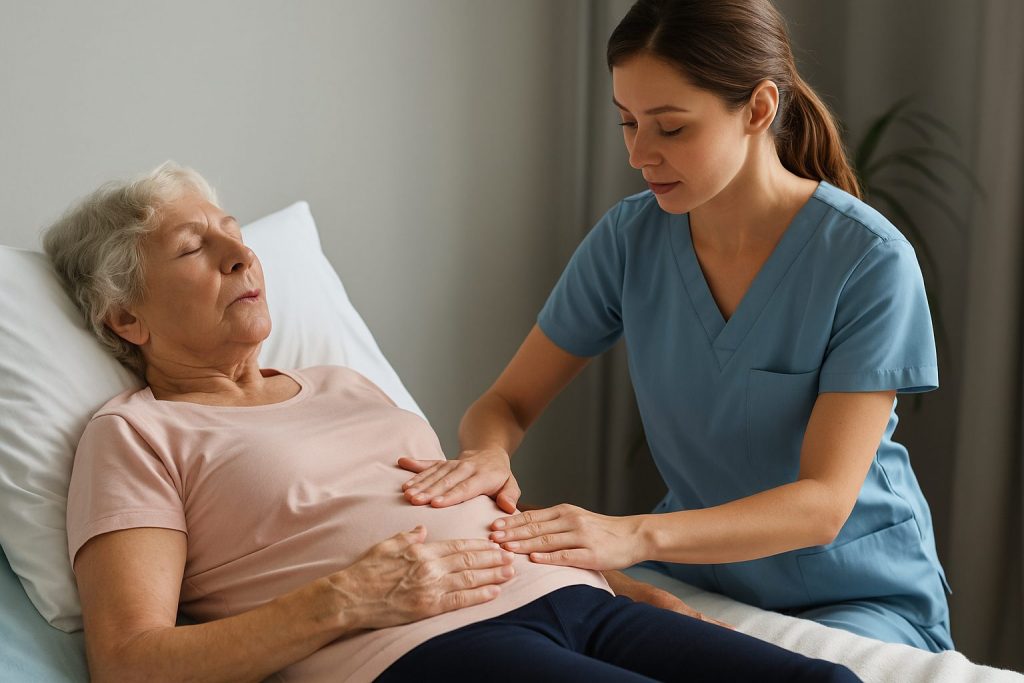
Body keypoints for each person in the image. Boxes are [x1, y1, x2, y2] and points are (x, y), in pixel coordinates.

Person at [47, 162, 859, 682]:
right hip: (421, 650)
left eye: (235, 235)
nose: (241, 255)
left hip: (572, 600)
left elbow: (465, 505)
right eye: (196, 248)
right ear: (128, 319)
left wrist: (620, 583)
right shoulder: (137, 434)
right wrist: (343, 600)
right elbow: (128, 662)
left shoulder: (342, 383)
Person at [397, 0, 953, 654]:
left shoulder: (867, 261)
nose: (639, 154)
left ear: (758, 109)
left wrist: (631, 535)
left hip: (855, 591)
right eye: (628, 122)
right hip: (690, 572)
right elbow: (507, 403)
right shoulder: (630, 240)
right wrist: (486, 452)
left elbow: (824, 502)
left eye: (670, 128)